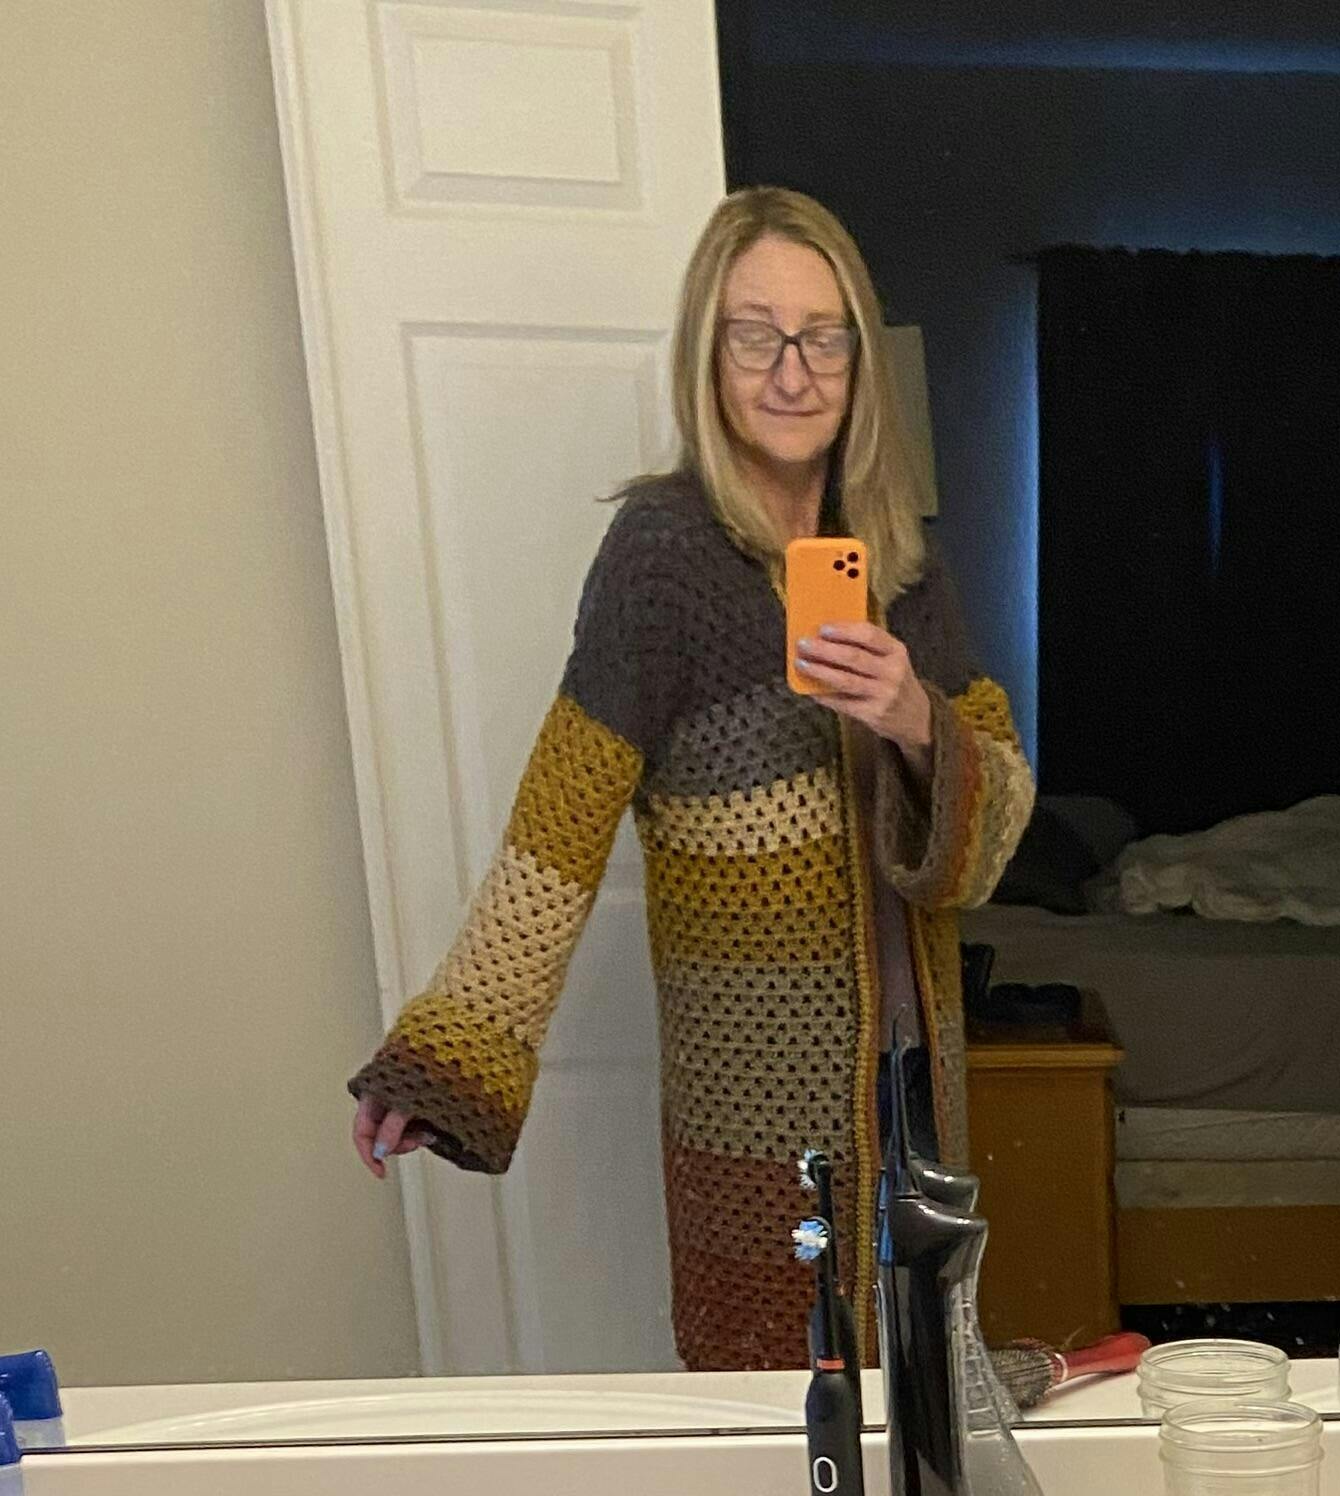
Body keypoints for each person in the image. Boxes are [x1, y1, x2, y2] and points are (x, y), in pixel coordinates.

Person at [348, 187, 1034, 1370]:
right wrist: (454, 1048)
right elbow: (560, 818)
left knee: (922, 1376)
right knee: (772, 1391)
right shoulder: (662, 557)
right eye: (754, 335)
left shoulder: (904, 562)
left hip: (918, 1074)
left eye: (823, 337)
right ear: (706, 355)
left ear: (860, 361)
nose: (791, 372)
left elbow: (991, 839)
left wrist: (916, 718)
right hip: (753, 1099)